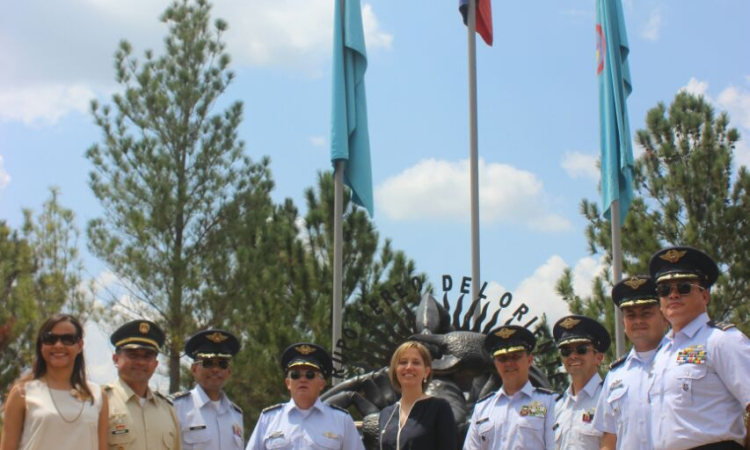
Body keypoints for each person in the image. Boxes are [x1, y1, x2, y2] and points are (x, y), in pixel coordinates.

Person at [648, 246, 750, 450]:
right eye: (665, 290)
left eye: (683, 287)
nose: (673, 295)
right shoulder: (662, 354)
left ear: (705, 296)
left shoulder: (722, 340)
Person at [0, 314, 107, 450]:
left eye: (68, 339)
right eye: (50, 339)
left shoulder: (98, 395)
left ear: (80, 345)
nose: (58, 345)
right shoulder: (22, 393)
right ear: (41, 345)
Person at [593, 275, 668, 450]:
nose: (638, 321)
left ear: (664, 317)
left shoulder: (679, 361)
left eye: (646, 313)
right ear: (623, 322)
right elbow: (609, 439)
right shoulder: (615, 376)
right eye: (631, 315)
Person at [245, 342, 365, 450]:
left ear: (322, 384)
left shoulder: (341, 420)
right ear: (288, 383)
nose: (302, 379)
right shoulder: (269, 419)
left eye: (310, 374)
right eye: (296, 375)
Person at [463, 325, 555, 450]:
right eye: (502, 358)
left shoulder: (550, 403)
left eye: (515, 356)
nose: (509, 363)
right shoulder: (482, 408)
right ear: (495, 363)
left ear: (529, 360)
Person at [104, 320, 181, 450]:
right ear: (116, 359)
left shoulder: (168, 410)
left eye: (147, 357)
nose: (140, 362)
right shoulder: (101, 402)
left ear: (155, 364)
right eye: (133, 355)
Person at [173, 329, 244, 450]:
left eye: (222, 364)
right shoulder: (177, 407)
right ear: (194, 369)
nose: (215, 369)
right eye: (208, 363)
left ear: (229, 372)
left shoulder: (236, 414)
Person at [378, 341, 457, 450]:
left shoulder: (439, 408)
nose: (409, 367)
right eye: (403, 362)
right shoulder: (386, 414)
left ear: (426, 371)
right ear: (395, 370)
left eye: (416, 362)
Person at [552, 314, 610, 450]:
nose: (573, 356)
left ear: (598, 357)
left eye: (581, 349)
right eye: (566, 351)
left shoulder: (610, 399)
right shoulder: (557, 406)